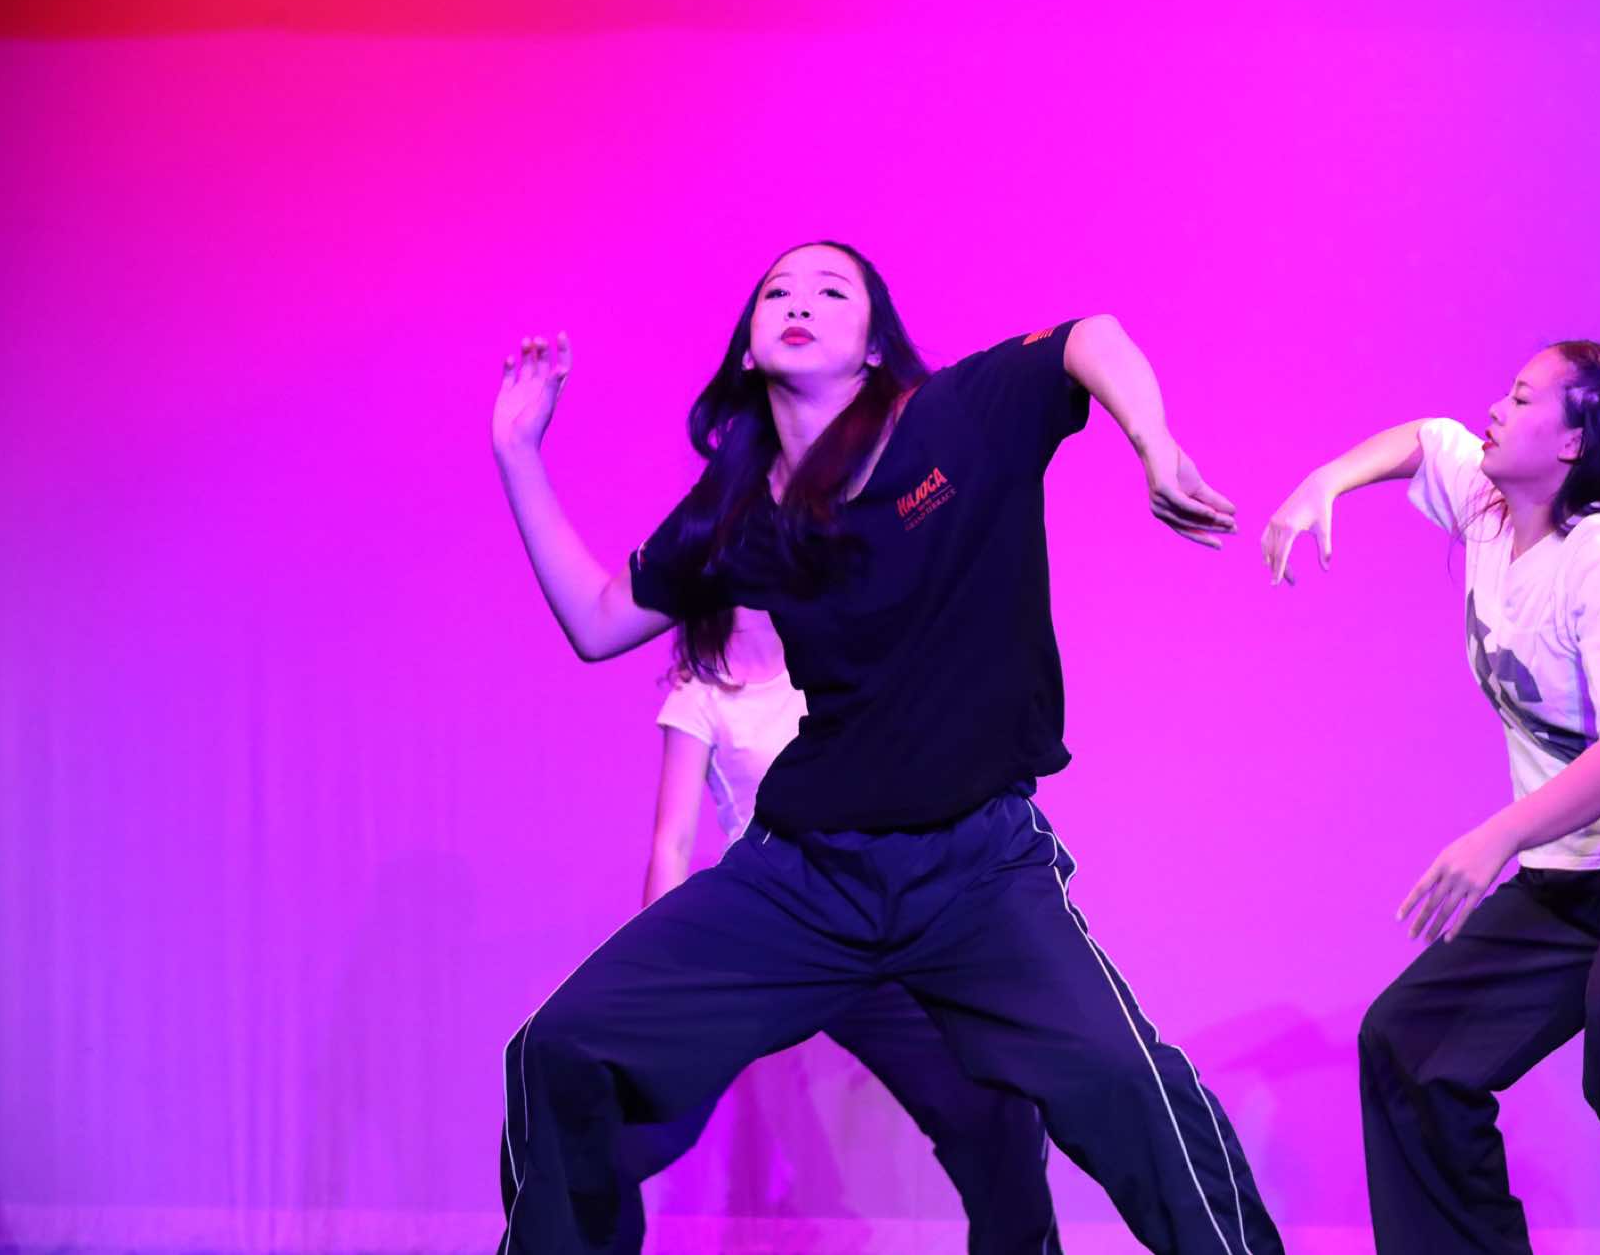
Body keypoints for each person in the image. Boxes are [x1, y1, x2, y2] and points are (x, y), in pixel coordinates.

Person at [492, 240, 1283, 1254]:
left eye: (832, 290)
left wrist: (1153, 442)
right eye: (777, 291)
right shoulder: (738, 509)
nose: (800, 301)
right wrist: (518, 455)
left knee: (1126, 1088)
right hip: (806, 875)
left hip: (975, 872)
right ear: (749, 348)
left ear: (873, 346)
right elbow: (598, 622)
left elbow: (1090, 338)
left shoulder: (953, 419)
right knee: (558, 1049)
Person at [1262, 341, 1600, 1254]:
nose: (1495, 411)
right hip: (1576, 868)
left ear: (1572, 441)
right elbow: (1424, 440)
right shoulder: (1488, 505)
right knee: (1412, 1043)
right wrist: (1326, 481)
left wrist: (1496, 836)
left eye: (1519, 398)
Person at [627, 604, 1059, 1248]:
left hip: (864, 922)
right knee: (622, 1120)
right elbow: (673, 843)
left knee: (997, 1113)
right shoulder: (701, 696)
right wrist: (654, 981)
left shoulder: (832, 658)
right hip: (771, 934)